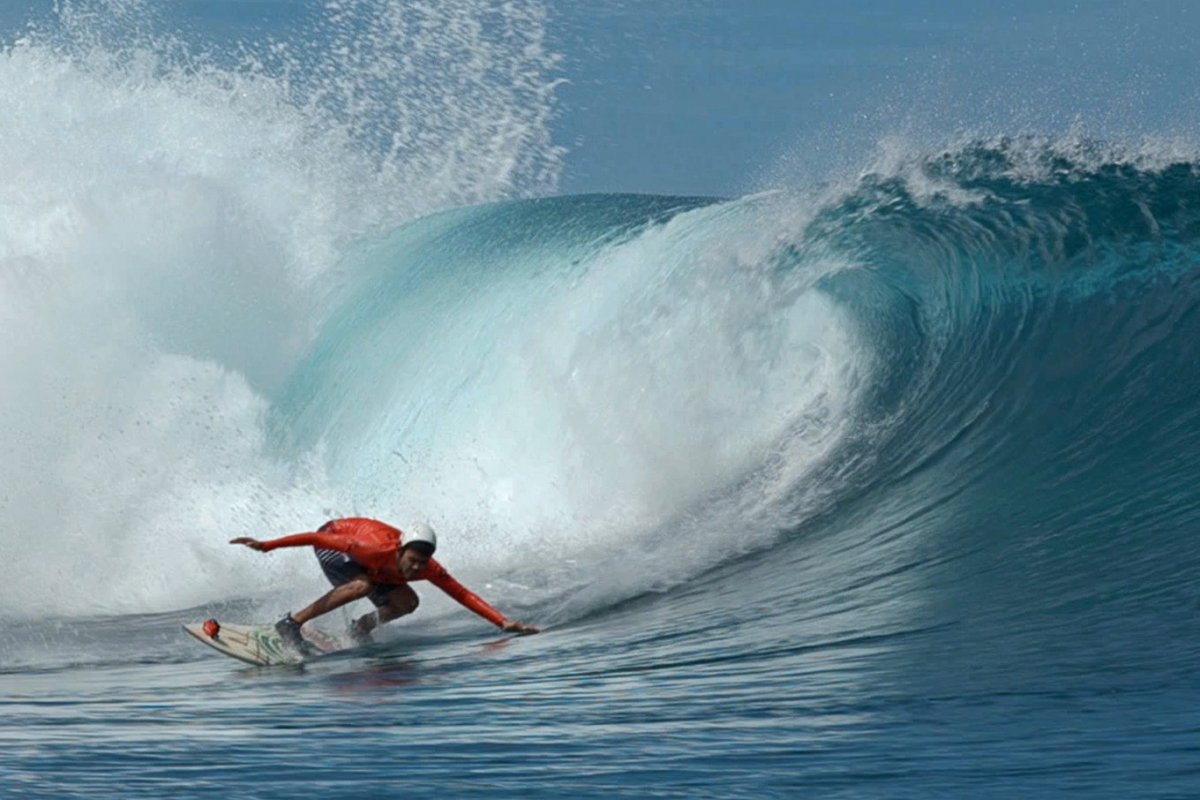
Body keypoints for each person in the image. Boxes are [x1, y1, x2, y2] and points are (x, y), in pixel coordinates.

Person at [230, 517, 539, 652]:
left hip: (370, 569)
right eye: (412, 559)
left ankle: (359, 628)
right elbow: (316, 537)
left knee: (408, 601)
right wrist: (267, 545)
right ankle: (290, 623)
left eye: (422, 563)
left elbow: (462, 594)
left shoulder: (427, 568)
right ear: (401, 550)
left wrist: (503, 622)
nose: (415, 567)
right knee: (363, 585)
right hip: (334, 543)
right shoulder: (371, 547)